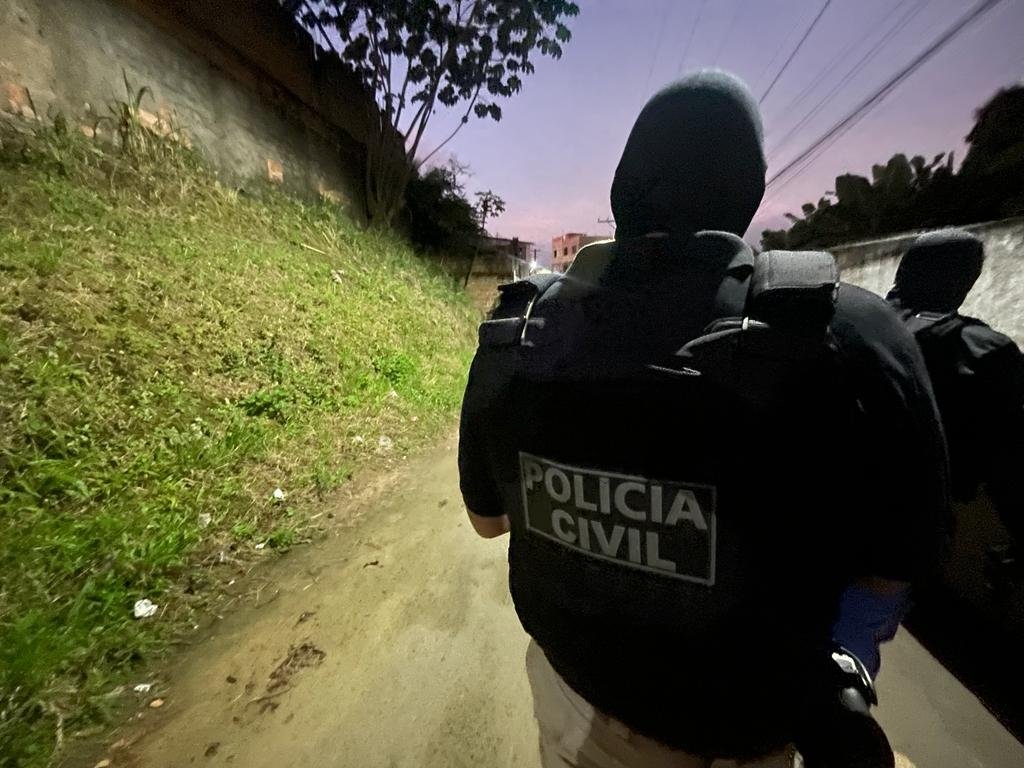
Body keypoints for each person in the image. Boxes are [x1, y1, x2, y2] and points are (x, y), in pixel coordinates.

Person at [458, 70, 948, 767]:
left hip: (578, 710)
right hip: (750, 733)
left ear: (622, 187)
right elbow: (894, 565)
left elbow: (487, 521)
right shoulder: (852, 333)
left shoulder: (517, 329)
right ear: (746, 191)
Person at [887, 229, 1024, 584]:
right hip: (927, 505)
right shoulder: (985, 351)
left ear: (904, 270)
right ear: (964, 281)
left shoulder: (857, 322)